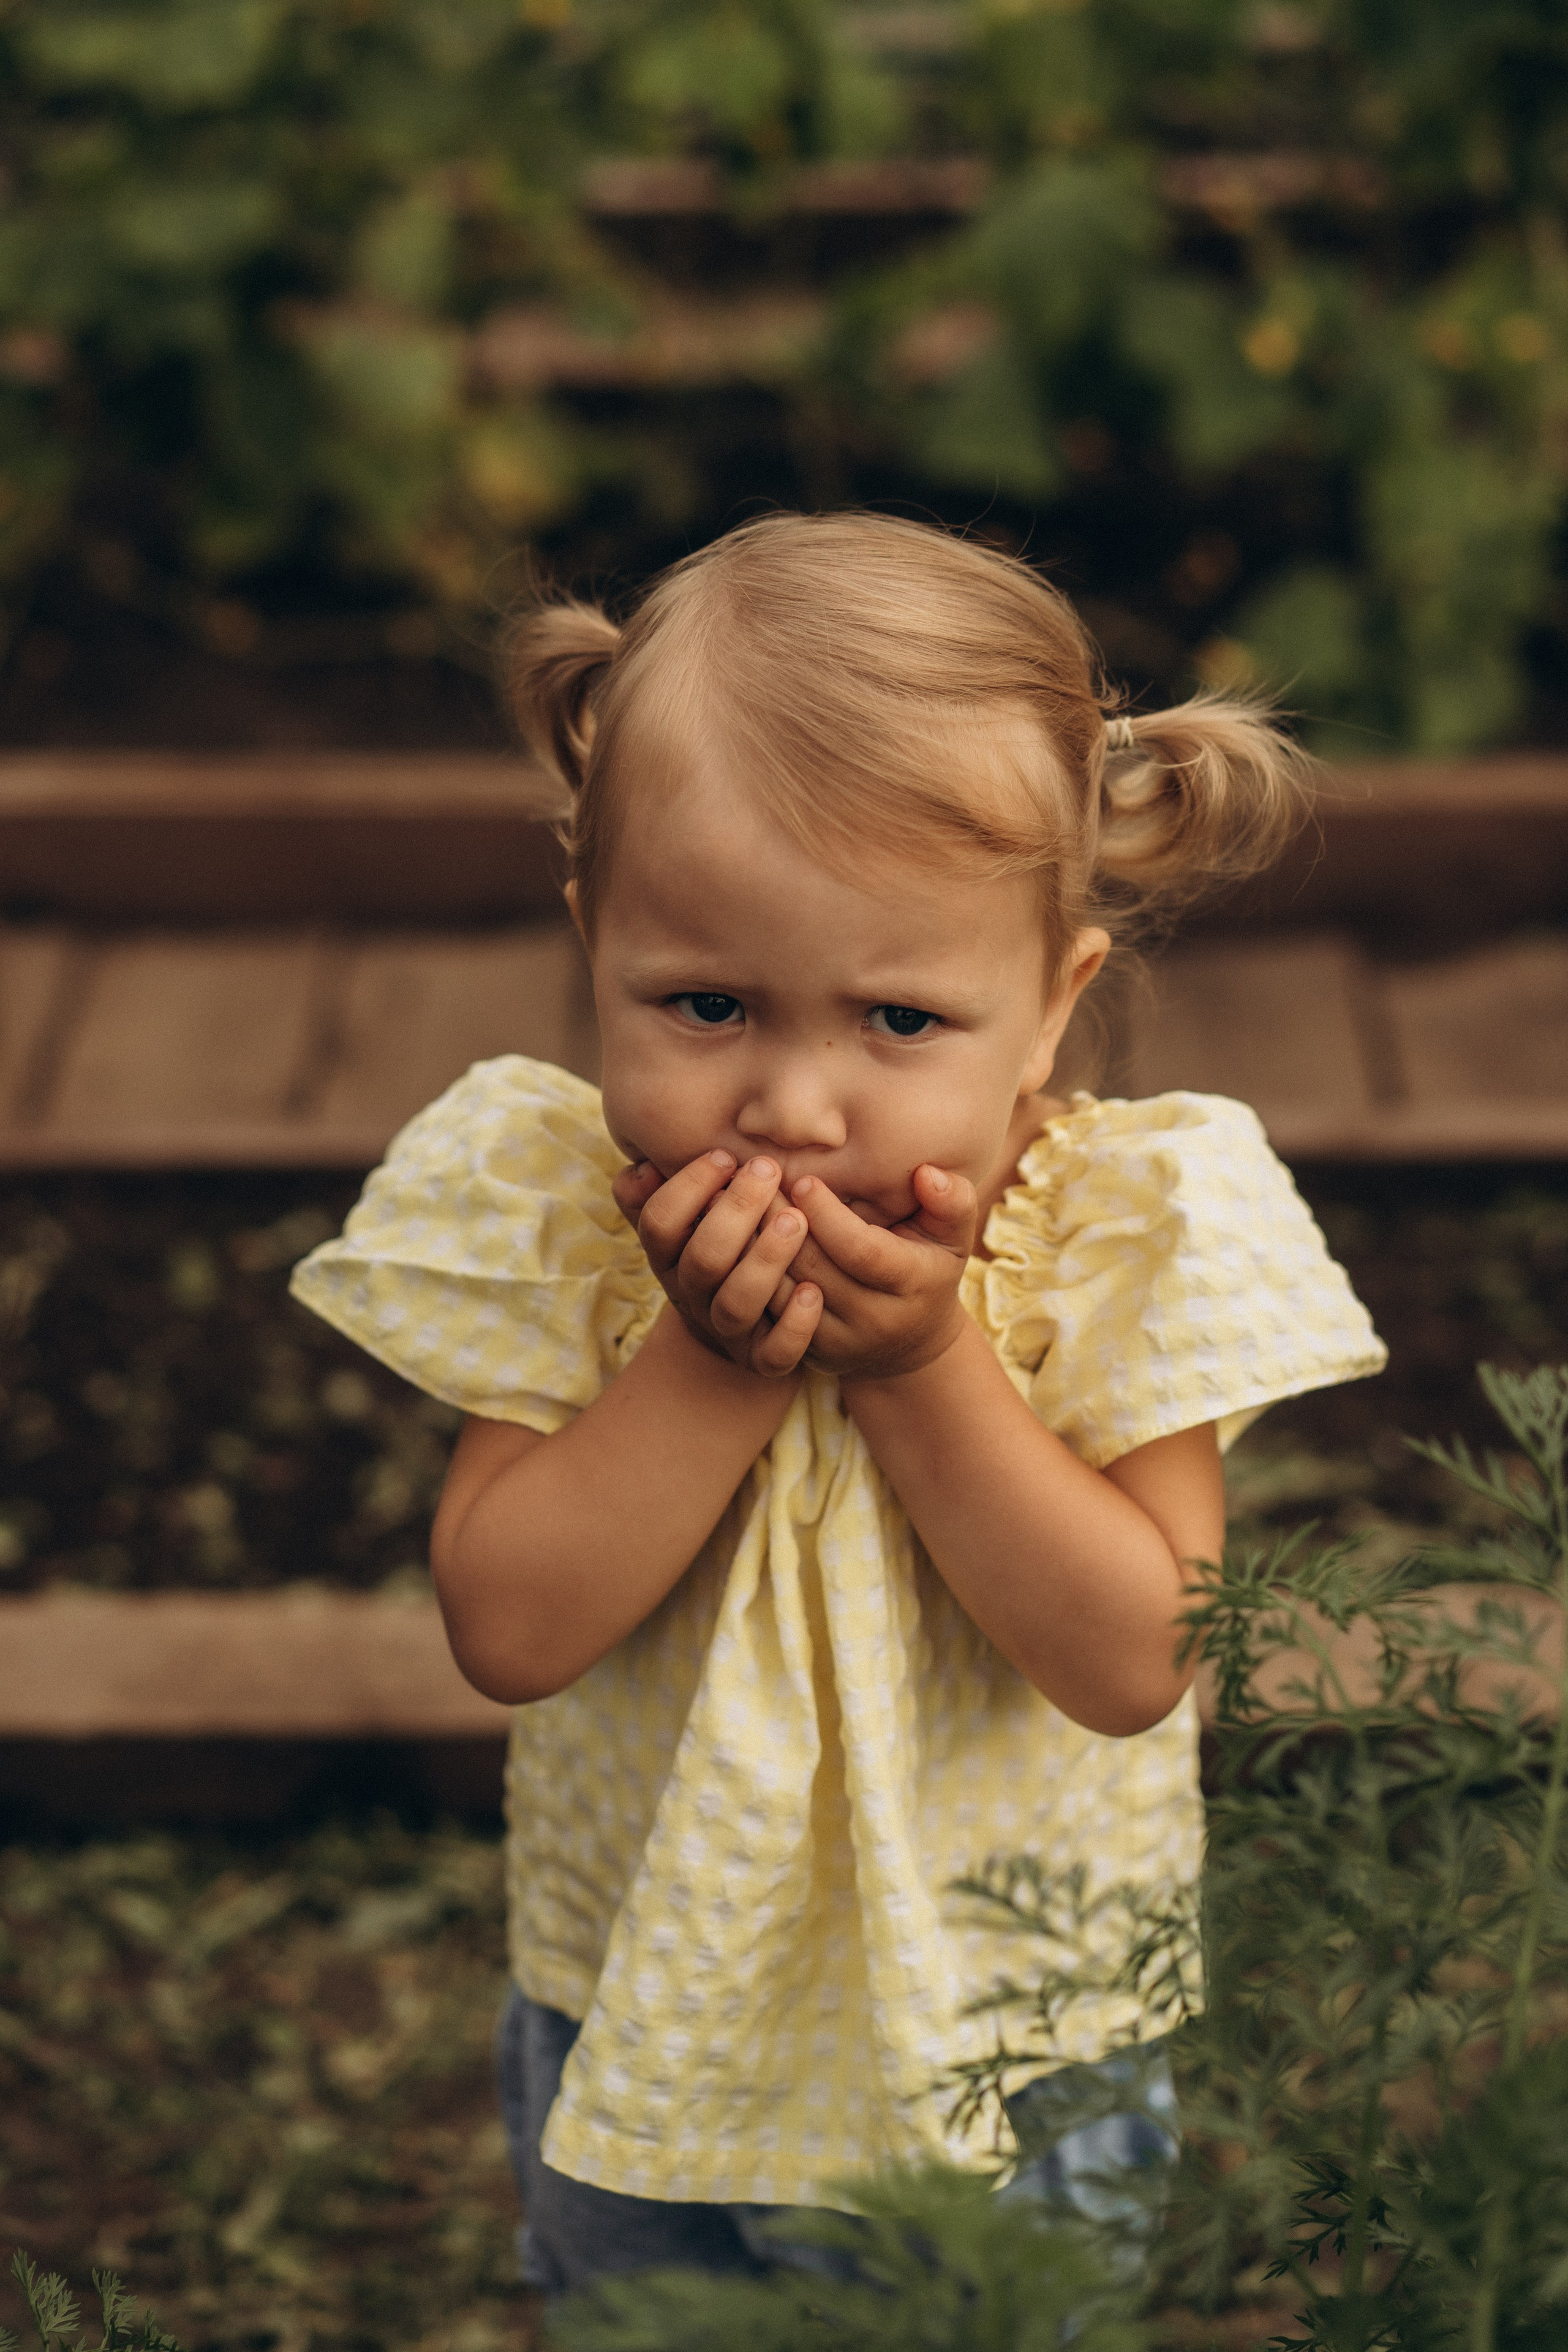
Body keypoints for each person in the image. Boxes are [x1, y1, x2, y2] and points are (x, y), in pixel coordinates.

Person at [290, 511, 1385, 2296]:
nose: (793, 1107)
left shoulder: (1120, 1226)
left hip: (1009, 2033)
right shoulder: (565, 1208)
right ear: (591, 941)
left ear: (1049, 1008)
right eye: (706, 1004)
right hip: (641, 1994)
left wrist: (927, 1368)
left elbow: (1135, 1660)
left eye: (898, 1021)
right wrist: (711, 1364)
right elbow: (511, 1625)